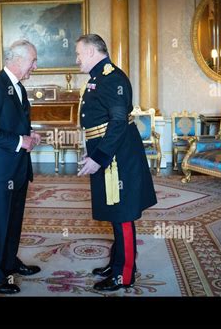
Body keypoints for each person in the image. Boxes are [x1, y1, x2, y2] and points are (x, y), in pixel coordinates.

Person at [76, 34, 157, 291]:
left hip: (117, 157)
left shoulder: (111, 78)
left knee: (122, 214)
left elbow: (118, 122)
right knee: (115, 211)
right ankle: (116, 262)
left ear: (90, 52)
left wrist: (98, 158)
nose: (76, 59)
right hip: (110, 154)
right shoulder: (100, 77)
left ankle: (124, 274)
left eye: (78, 54)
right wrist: (94, 154)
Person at [0, 39, 42, 294]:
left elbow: (12, 123)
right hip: (0, 171)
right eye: (33, 61)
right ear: (18, 60)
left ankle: (9, 262)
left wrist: (29, 134)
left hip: (17, 169)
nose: (35, 66)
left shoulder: (18, 87)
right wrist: (18, 141)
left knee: (14, 221)